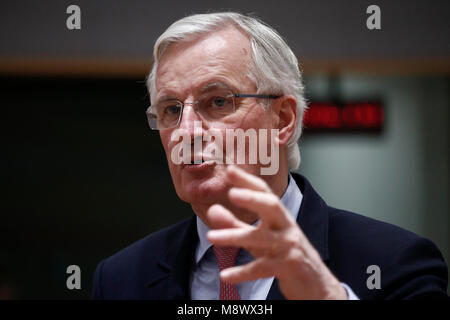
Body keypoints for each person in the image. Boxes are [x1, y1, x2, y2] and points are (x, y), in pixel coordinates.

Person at [92, 12, 448, 300]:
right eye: (170, 109)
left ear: (283, 119)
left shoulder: (394, 263)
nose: (186, 131)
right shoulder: (121, 278)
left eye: (218, 102)